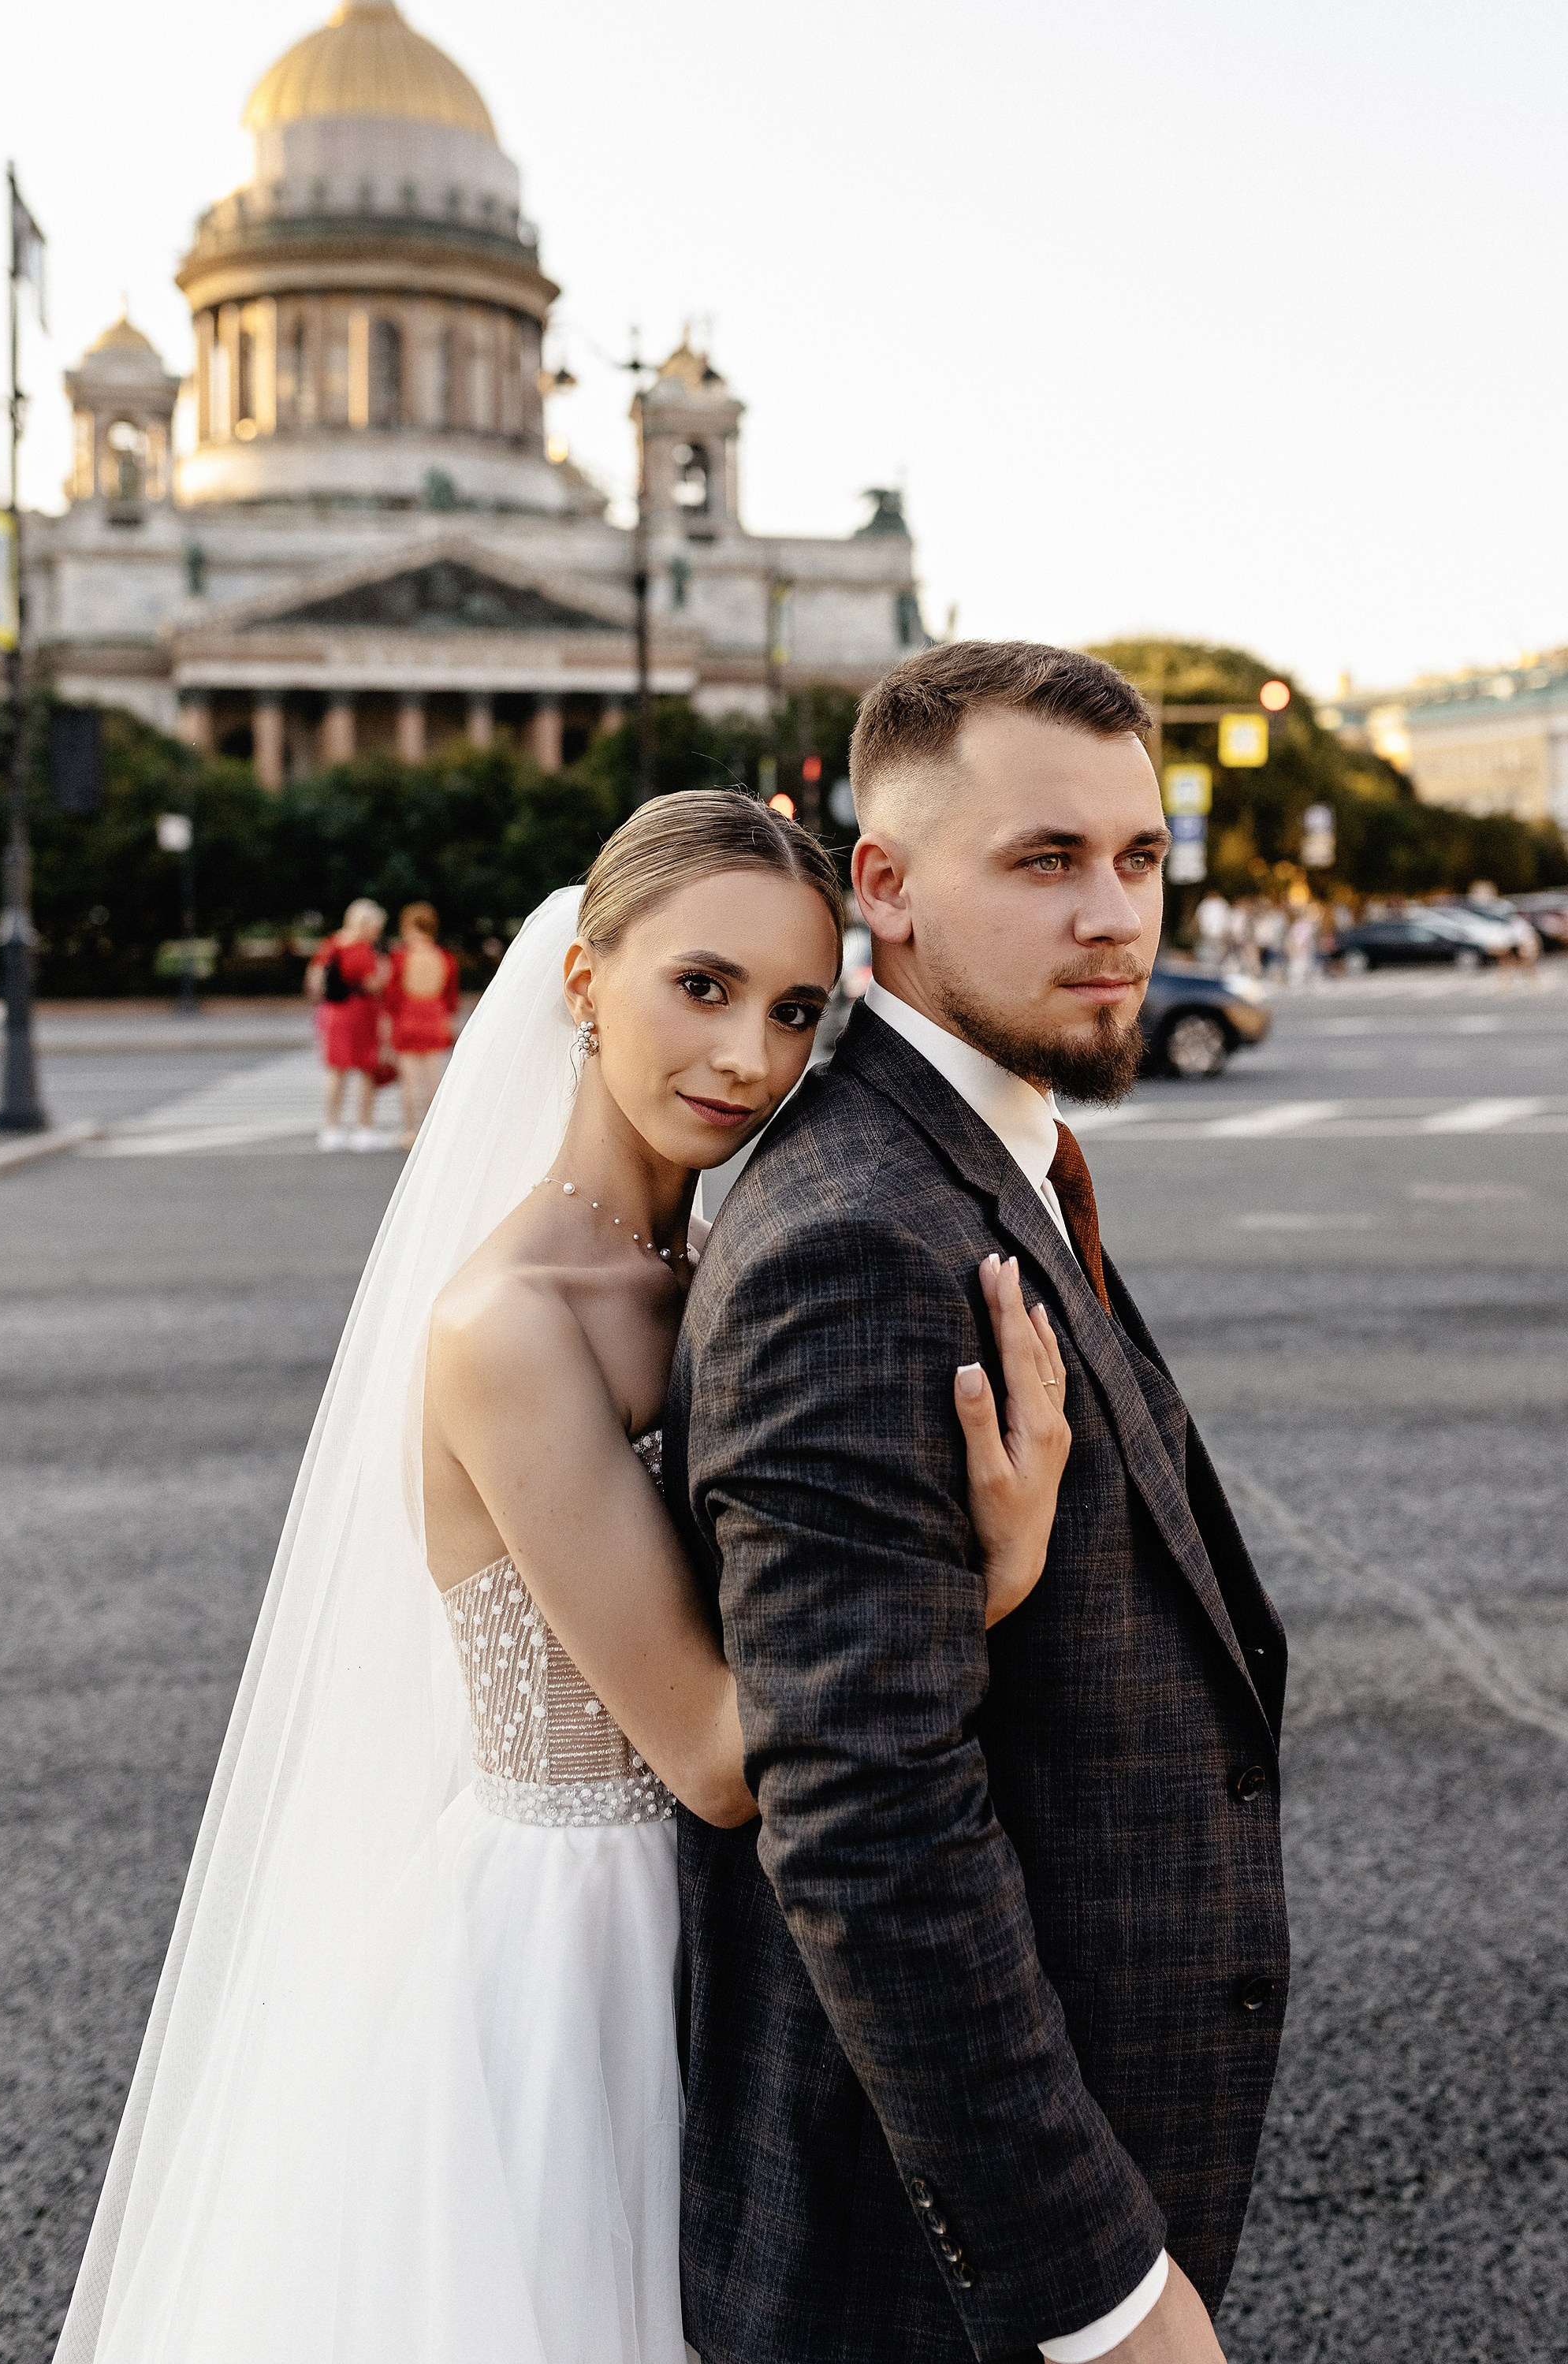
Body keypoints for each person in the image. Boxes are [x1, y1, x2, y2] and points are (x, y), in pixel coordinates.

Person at [54, 791, 1071, 2364]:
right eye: (703, 985)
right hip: (563, 1962)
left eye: (795, 1009)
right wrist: (997, 1564)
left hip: (721, 1938)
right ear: (587, 979)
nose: (746, 1055)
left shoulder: (727, 1266)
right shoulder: (511, 1321)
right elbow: (713, 1757)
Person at [669, 642, 1289, 2364]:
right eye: (1044, 860)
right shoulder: (861, 1236)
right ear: (885, 885)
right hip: (931, 2277)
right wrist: (1088, 2287)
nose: (1115, 916)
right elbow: (867, 1821)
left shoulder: (975, 1151)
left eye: (1140, 858)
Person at [306, 896, 391, 1151]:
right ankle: (364, 1129)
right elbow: (372, 983)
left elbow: (313, 979)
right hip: (359, 1012)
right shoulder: (362, 948)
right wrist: (386, 972)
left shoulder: (332, 943)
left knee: (335, 1070)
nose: (378, 931)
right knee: (365, 1070)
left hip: (332, 1012)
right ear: (365, 924)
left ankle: (331, 1129)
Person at [383, 900, 461, 1148]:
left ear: (408, 926)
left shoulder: (400, 958)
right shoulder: (445, 959)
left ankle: (410, 1131)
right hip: (435, 1018)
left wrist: (385, 1030)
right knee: (434, 1079)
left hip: (408, 1018)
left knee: (409, 1081)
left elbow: (392, 997)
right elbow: (450, 999)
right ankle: (433, 1132)